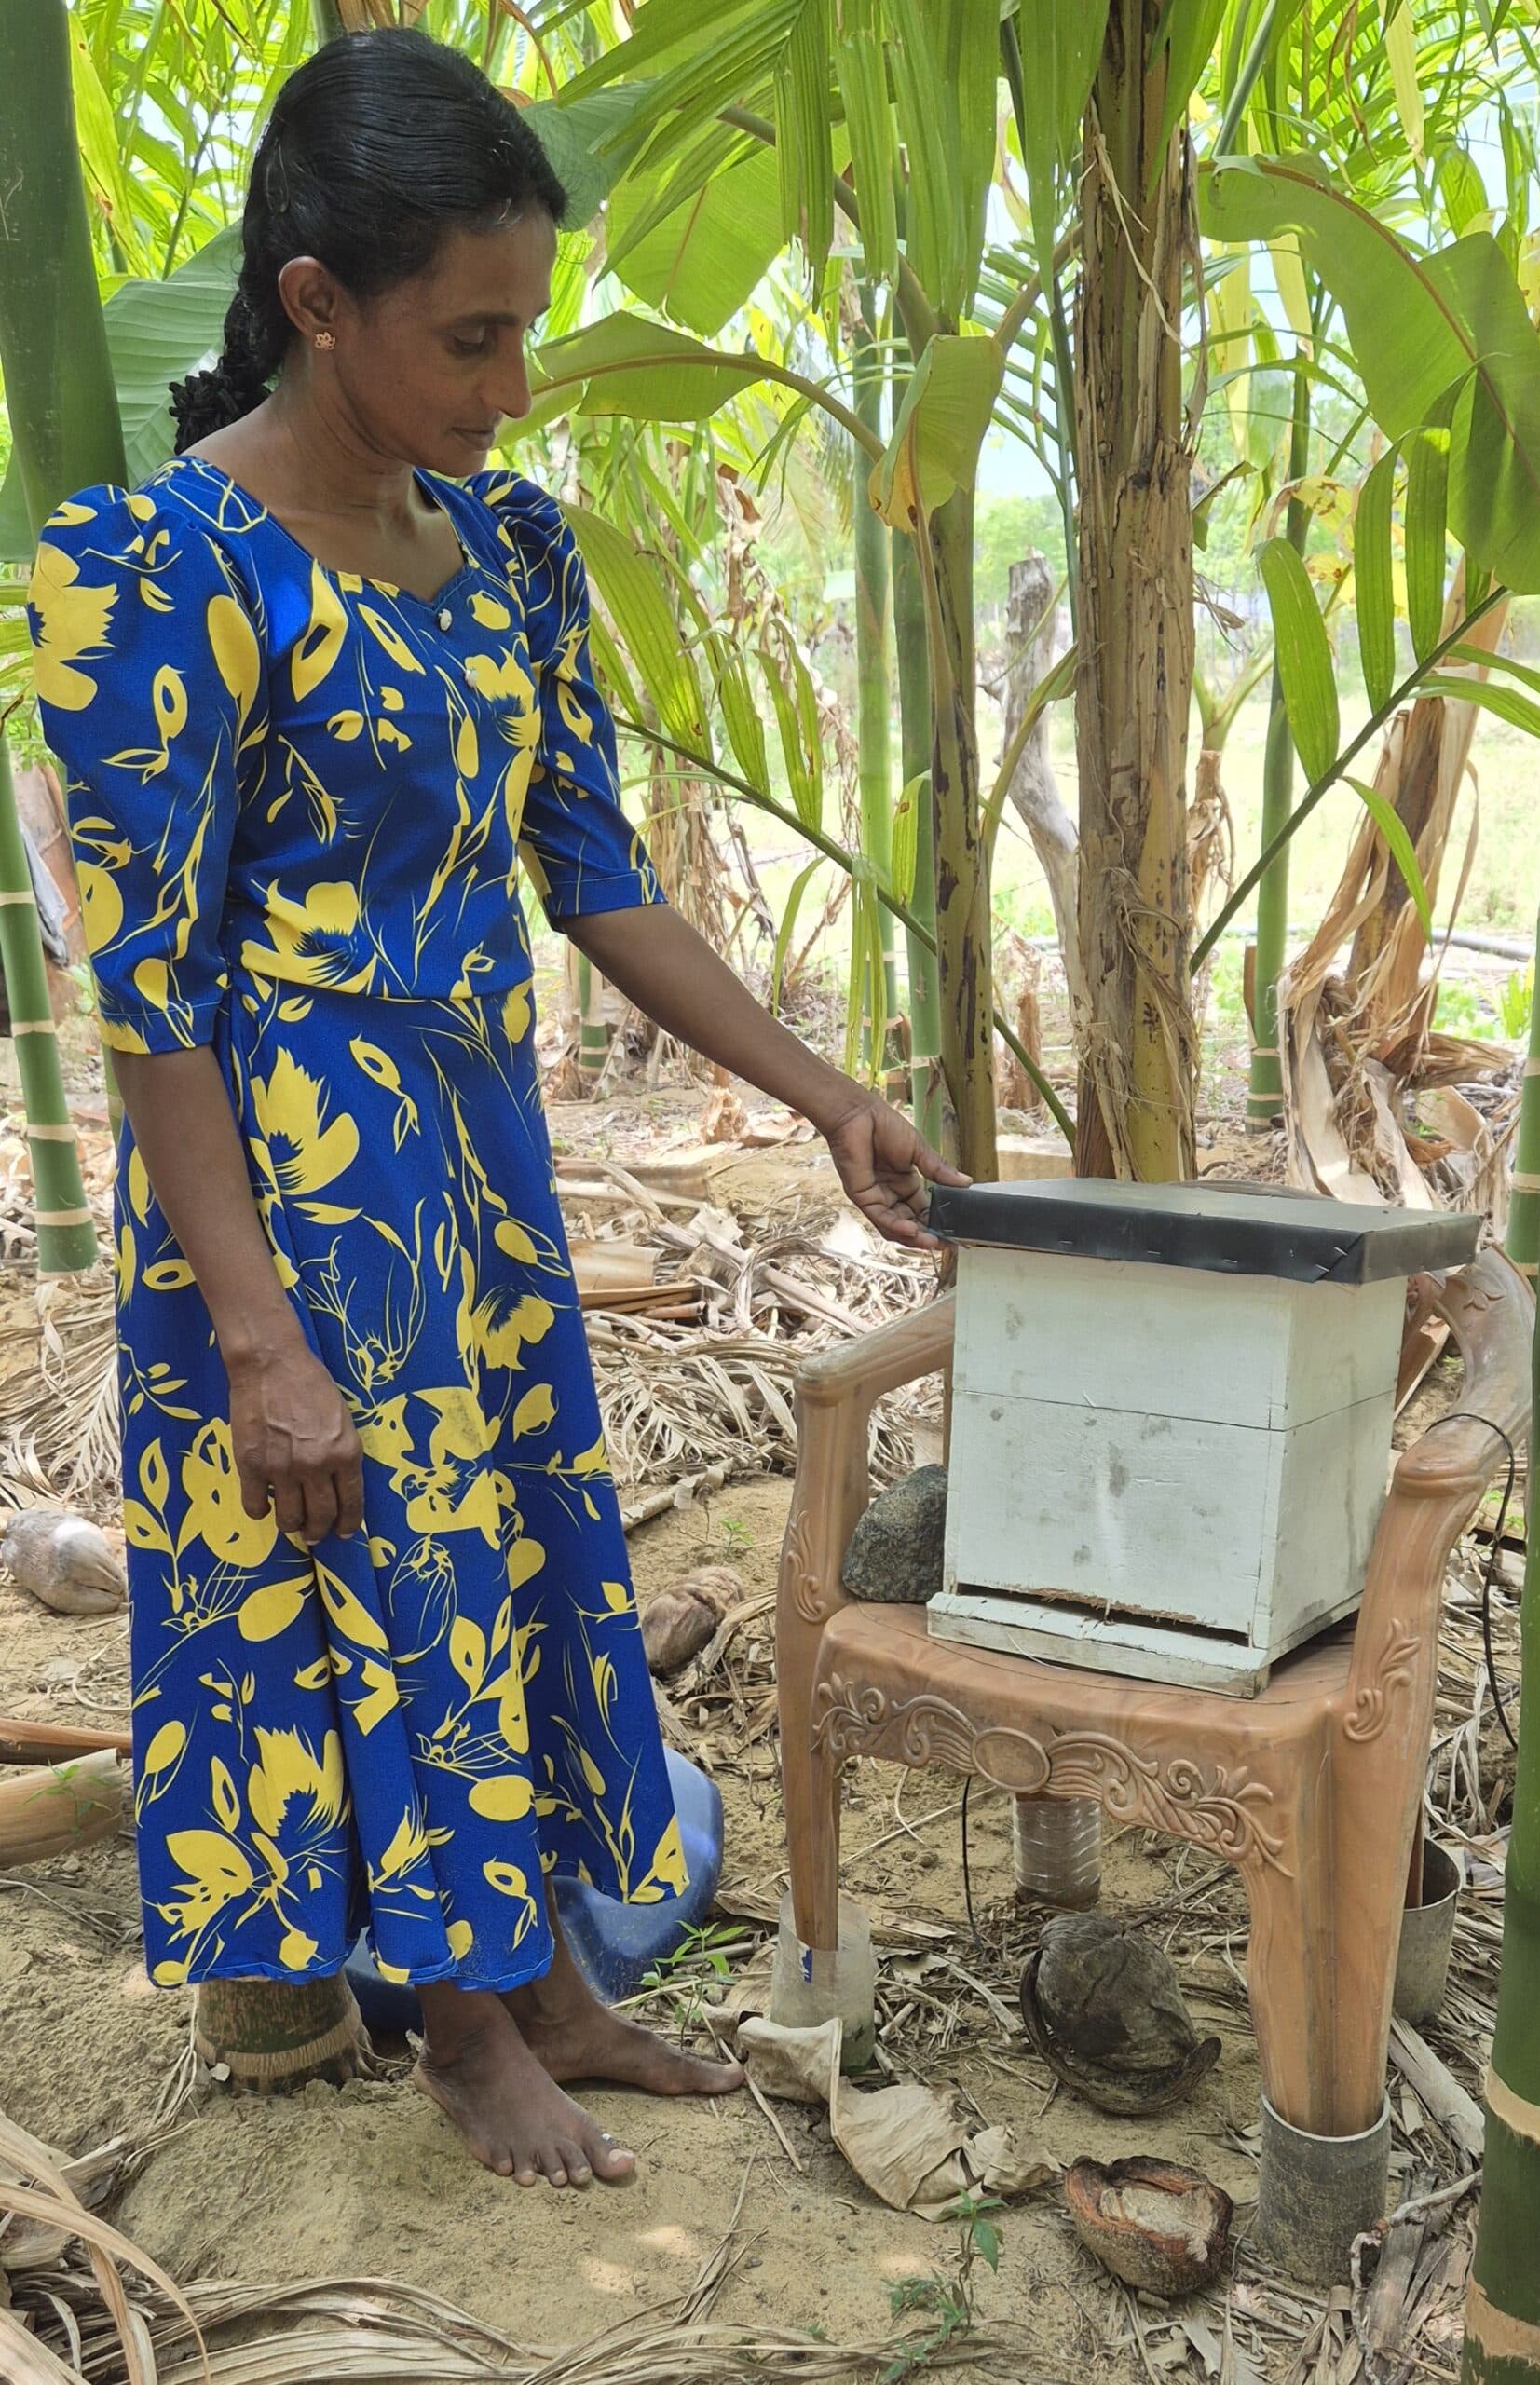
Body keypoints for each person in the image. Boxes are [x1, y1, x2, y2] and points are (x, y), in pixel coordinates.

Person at [27, 27, 963, 2192]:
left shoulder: (509, 554)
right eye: (471, 336)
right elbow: (149, 986)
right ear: (315, 305)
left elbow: (599, 879)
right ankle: (455, 2021)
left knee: (525, 1547)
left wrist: (829, 1097)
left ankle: (543, 1974)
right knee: (382, 1578)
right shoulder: (152, 566)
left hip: (476, 1155)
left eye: (523, 326)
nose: (511, 381)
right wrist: (251, 1330)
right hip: (281, 1180)